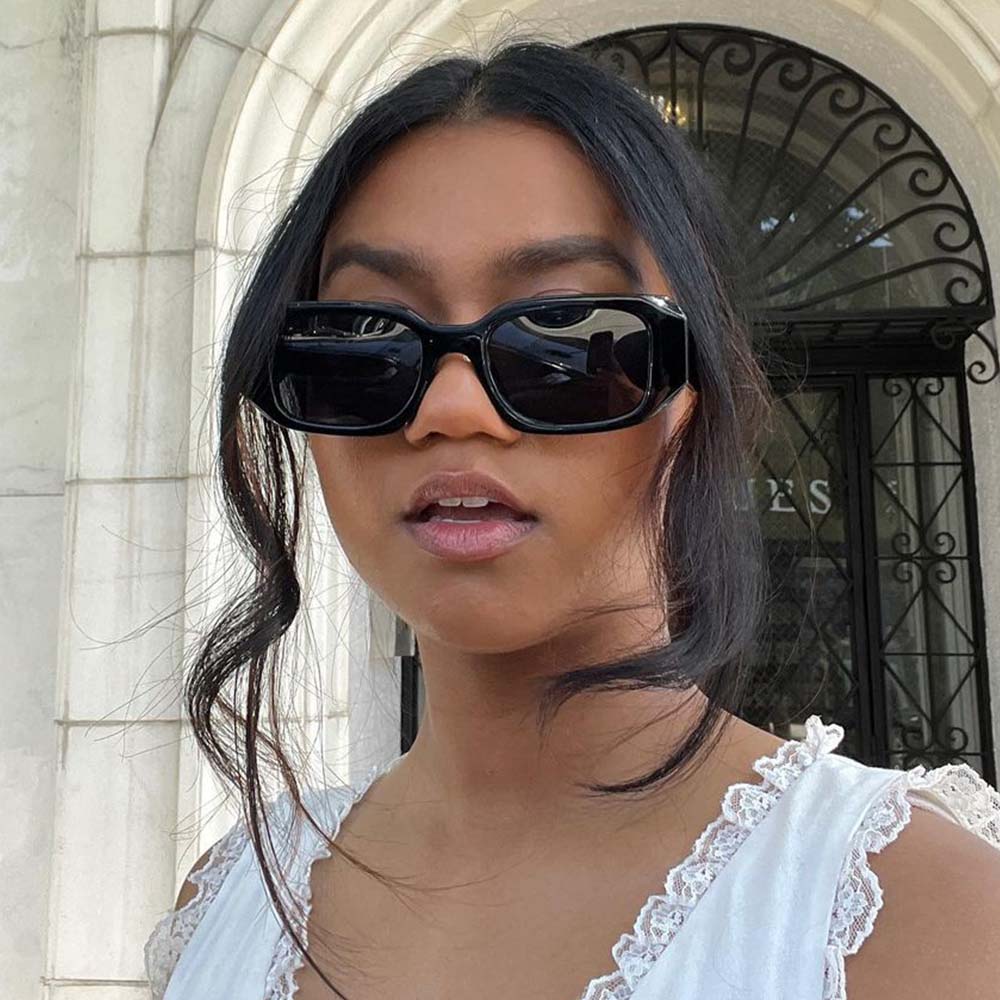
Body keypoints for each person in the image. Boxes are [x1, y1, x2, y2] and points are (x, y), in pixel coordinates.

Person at [142, 35, 1000, 1000]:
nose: (451, 409)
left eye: (566, 340)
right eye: (364, 343)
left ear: (698, 391)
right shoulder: (227, 903)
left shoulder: (919, 915)